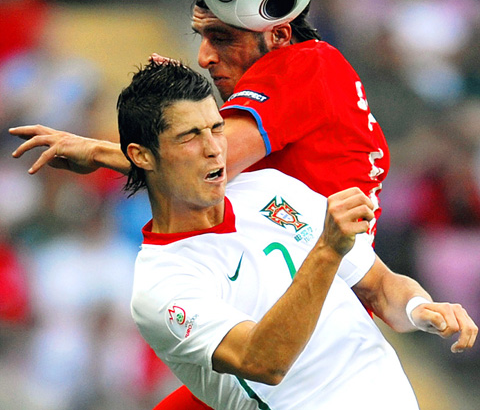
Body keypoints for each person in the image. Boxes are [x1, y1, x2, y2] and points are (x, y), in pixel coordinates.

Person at [10, 0, 389, 408]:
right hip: (284, 299)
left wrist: (98, 151)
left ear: (276, 33)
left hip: (304, 321)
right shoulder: (306, 75)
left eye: (222, 37)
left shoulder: (303, 65)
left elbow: (205, 161)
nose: (206, 56)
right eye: (202, 36)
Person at [116, 59, 475, 410]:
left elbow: (380, 286)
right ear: (141, 156)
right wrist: (327, 252)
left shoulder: (271, 188)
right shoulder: (161, 283)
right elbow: (263, 361)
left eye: (216, 128)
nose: (213, 148)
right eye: (189, 137)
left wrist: (419, 308)